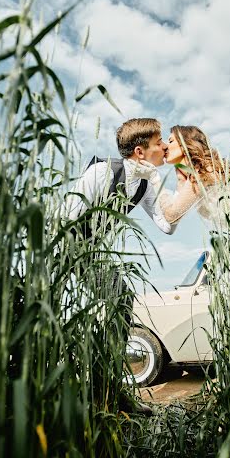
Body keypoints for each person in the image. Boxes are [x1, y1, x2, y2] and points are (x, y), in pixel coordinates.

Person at [59, 118, 176, 416]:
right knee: (115, 298)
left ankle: (109, 390)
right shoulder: (102, 172)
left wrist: (191, 183)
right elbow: (66, 217)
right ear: (139, 151)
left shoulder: (147, 183)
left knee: (120, 302)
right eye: (159, 142)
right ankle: (80, 393)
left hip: (93, 253)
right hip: (66, 246)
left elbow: (166, 225)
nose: (164, 147)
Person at [134, 125, 230, 229]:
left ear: (186, 143)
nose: (166, 146)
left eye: (171, 141)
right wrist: (181, 181)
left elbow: (171, 217)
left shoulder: (203, 172)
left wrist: (155, 179)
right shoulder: (199, 173)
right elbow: (175, 214)